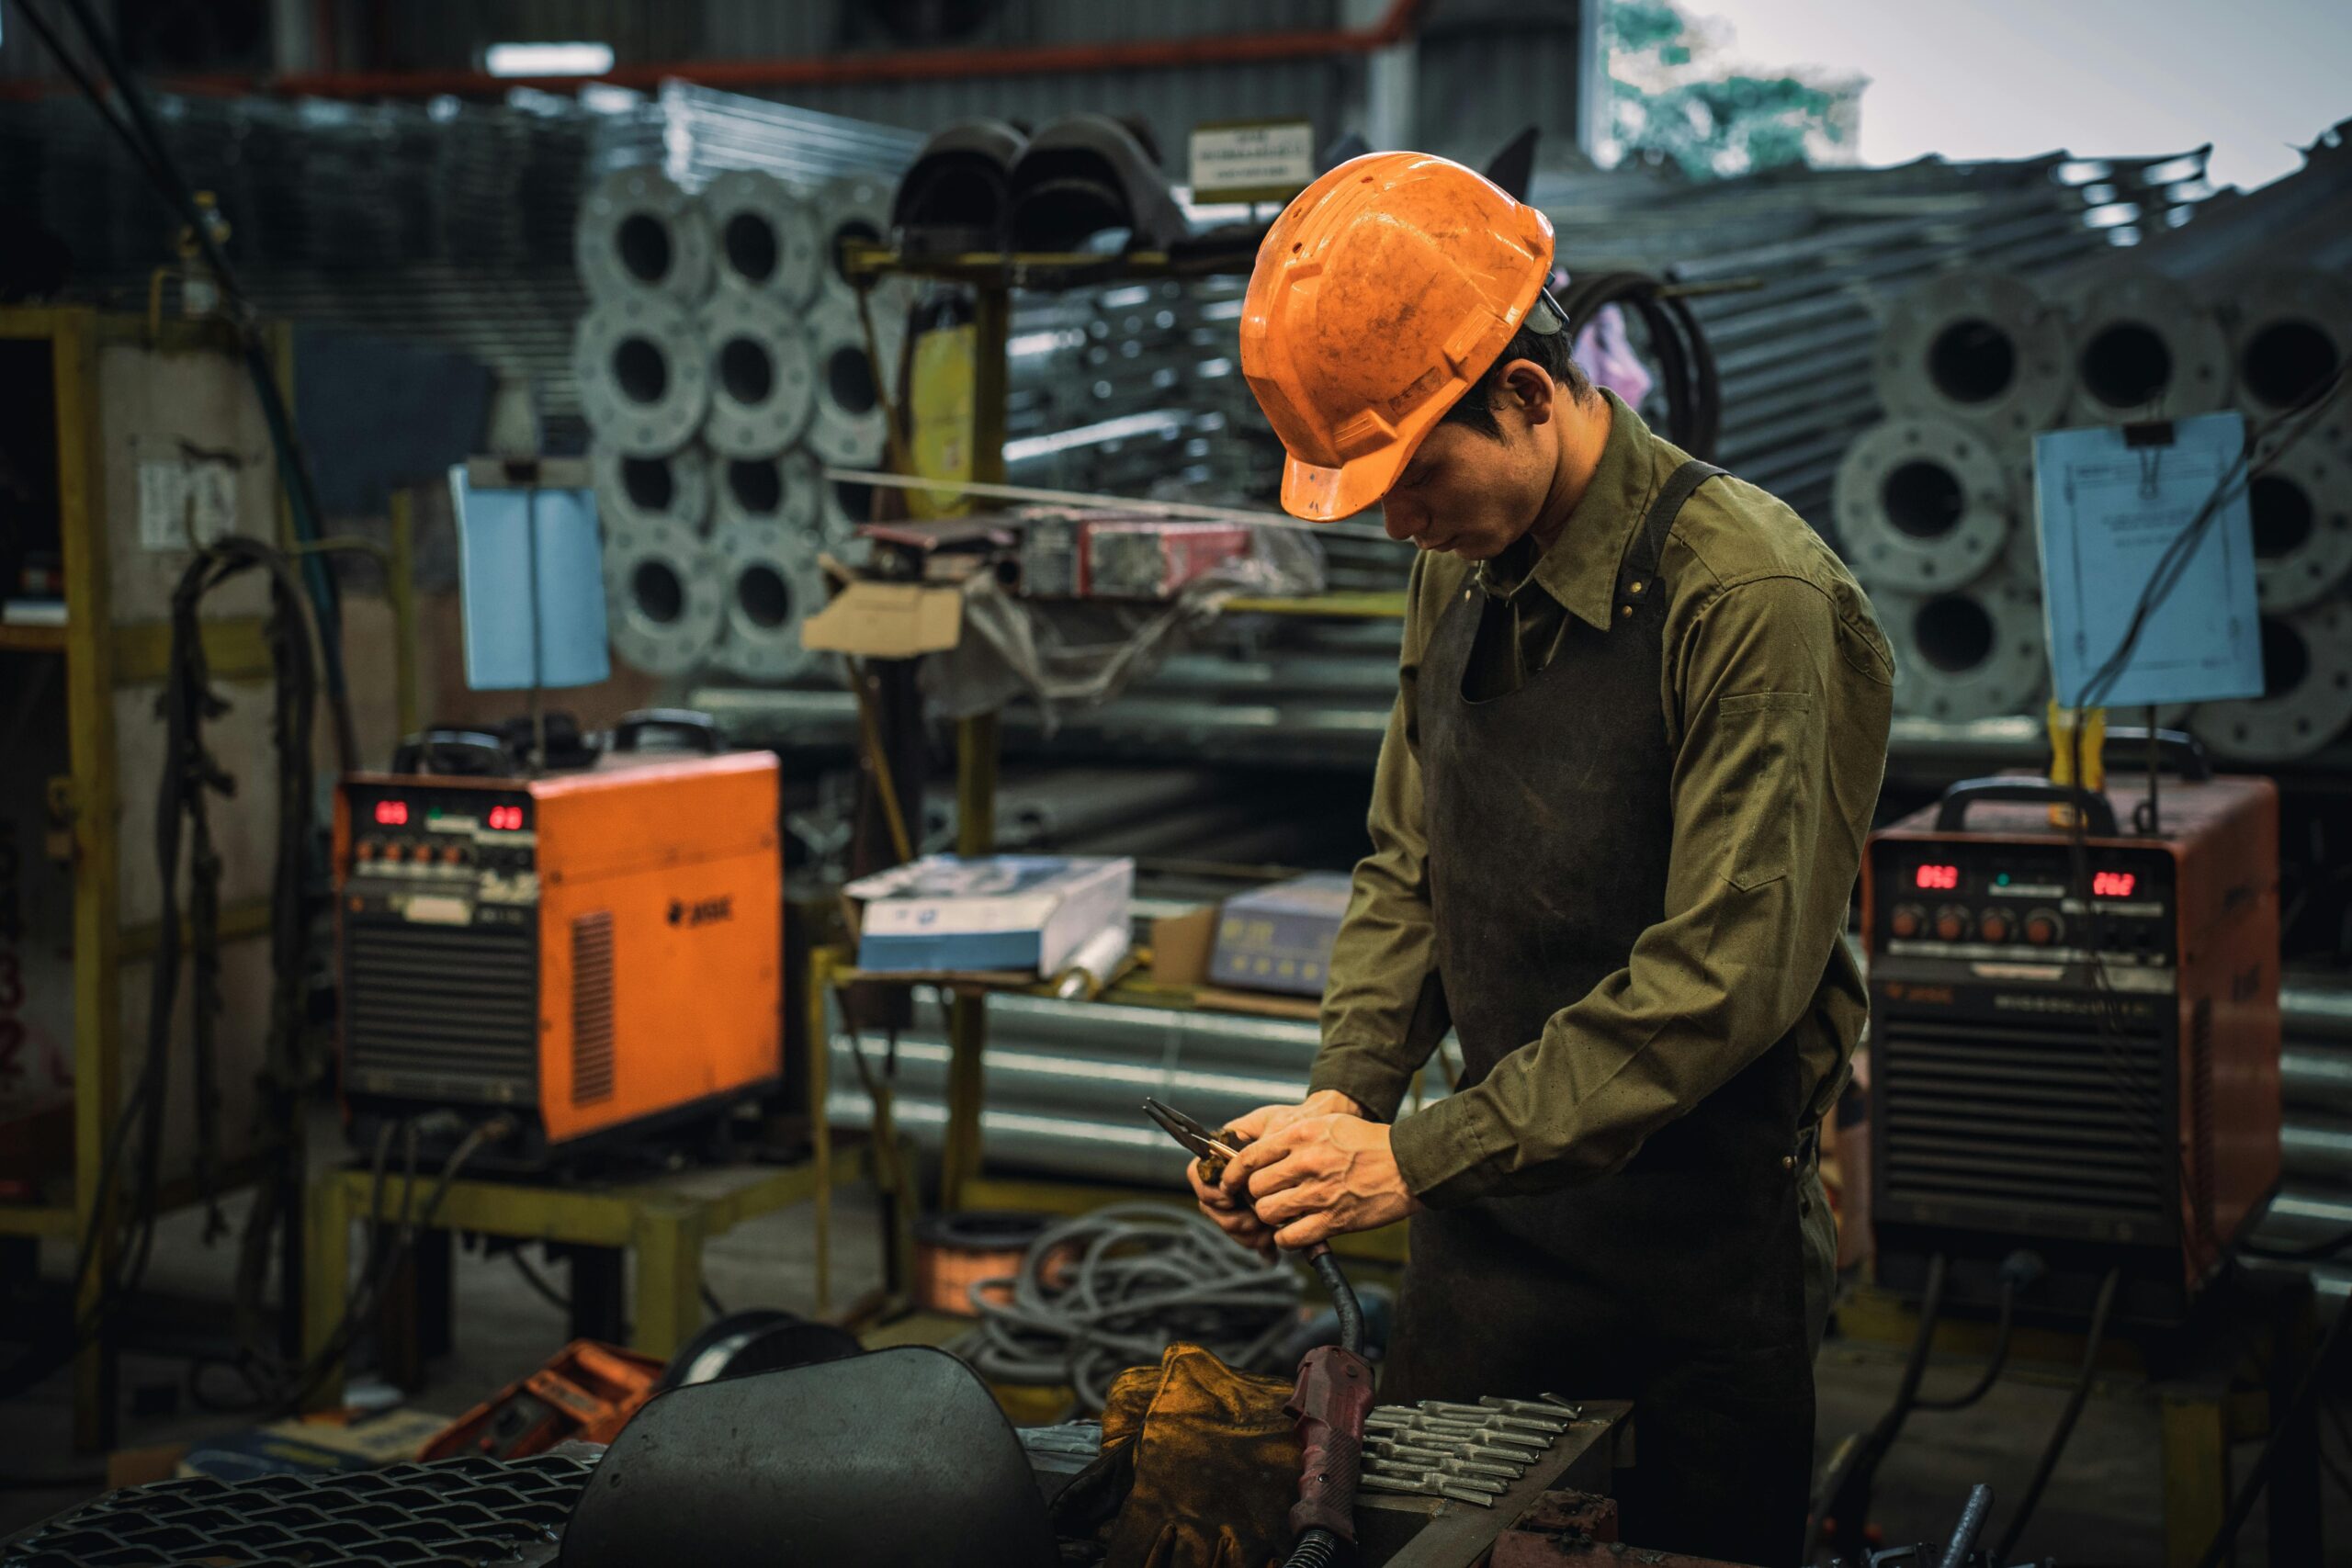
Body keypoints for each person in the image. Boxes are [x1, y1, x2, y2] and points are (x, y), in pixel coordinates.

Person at [1188, 151, 1894, 1567]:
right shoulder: (1458, 563)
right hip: (1487, 1243)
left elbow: (1725, 978)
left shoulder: (1750, 596)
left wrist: (1413, 1154)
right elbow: (1412, 865)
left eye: (1412, 475)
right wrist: (1340, 1116)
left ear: (1524, 393)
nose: (1397, 524)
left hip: (1695, 1261)